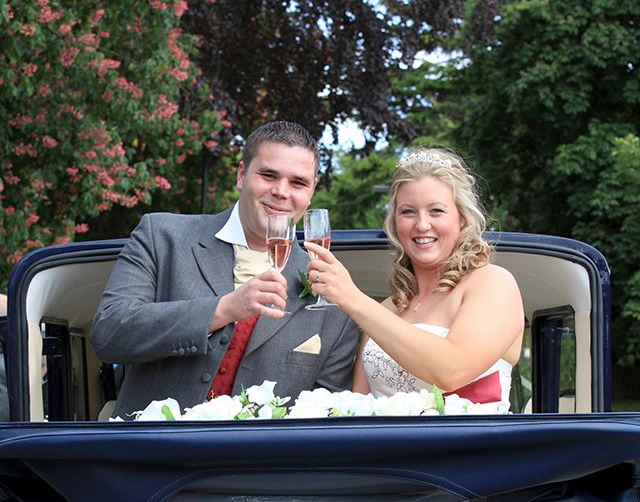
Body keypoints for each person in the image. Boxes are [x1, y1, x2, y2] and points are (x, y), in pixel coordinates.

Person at [91, 121, 359, 418]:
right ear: (242, 175)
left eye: (298, 183)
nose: (282, 191)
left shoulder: (333, 295)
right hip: (150, 455)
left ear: (311, 192)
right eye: (268, 175)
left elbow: (328, 418)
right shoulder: (161, 237)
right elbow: (108, 332)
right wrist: (223, 309)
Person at [304, 147, 524, 407]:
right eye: (408, 211)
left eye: (436, 211)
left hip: (470, 446)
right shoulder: (388, 309)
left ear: (462, 219)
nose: (422, 224)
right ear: (395, 221)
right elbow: (358, 406)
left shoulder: (493, 284)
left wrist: (354, 299)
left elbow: (452, 371)